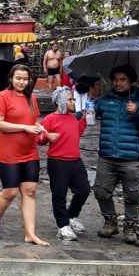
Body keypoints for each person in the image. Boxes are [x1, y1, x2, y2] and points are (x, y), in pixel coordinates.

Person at [93, 64, 139, 244]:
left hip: (131, 157)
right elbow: (87, 113)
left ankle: (130, 227)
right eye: (115, 80)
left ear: (131, 82)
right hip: (107, 154)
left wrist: (138, 112)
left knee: (132, 194)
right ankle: (110, 221)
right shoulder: (104, 100)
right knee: (100, 190)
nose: (118, 83)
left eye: (122, 80)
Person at [0, 64, 48, 245]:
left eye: (25, 79)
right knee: (11, 191)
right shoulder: (3, 96)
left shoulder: (32, 98)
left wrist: (38, 126)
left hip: (29, 151)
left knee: (30, 191)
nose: (22, 82)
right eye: (18, 78)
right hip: (8, 152)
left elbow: (32, 120)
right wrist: (24, 127)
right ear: (11, 79)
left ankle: (30, 234)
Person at [37, 87, 90, 241]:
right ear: (59, 101)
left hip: (75, 160)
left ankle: (71, 215)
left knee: (84, 190)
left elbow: (77, 133)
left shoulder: (73, 118)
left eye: (73, 99)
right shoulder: (50, 119)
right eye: (70, 100)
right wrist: (47, 136)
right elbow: (38, 139)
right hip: (58, 162)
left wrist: (85, 118)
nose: (73, 102)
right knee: (59, 194)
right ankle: (63, 225)